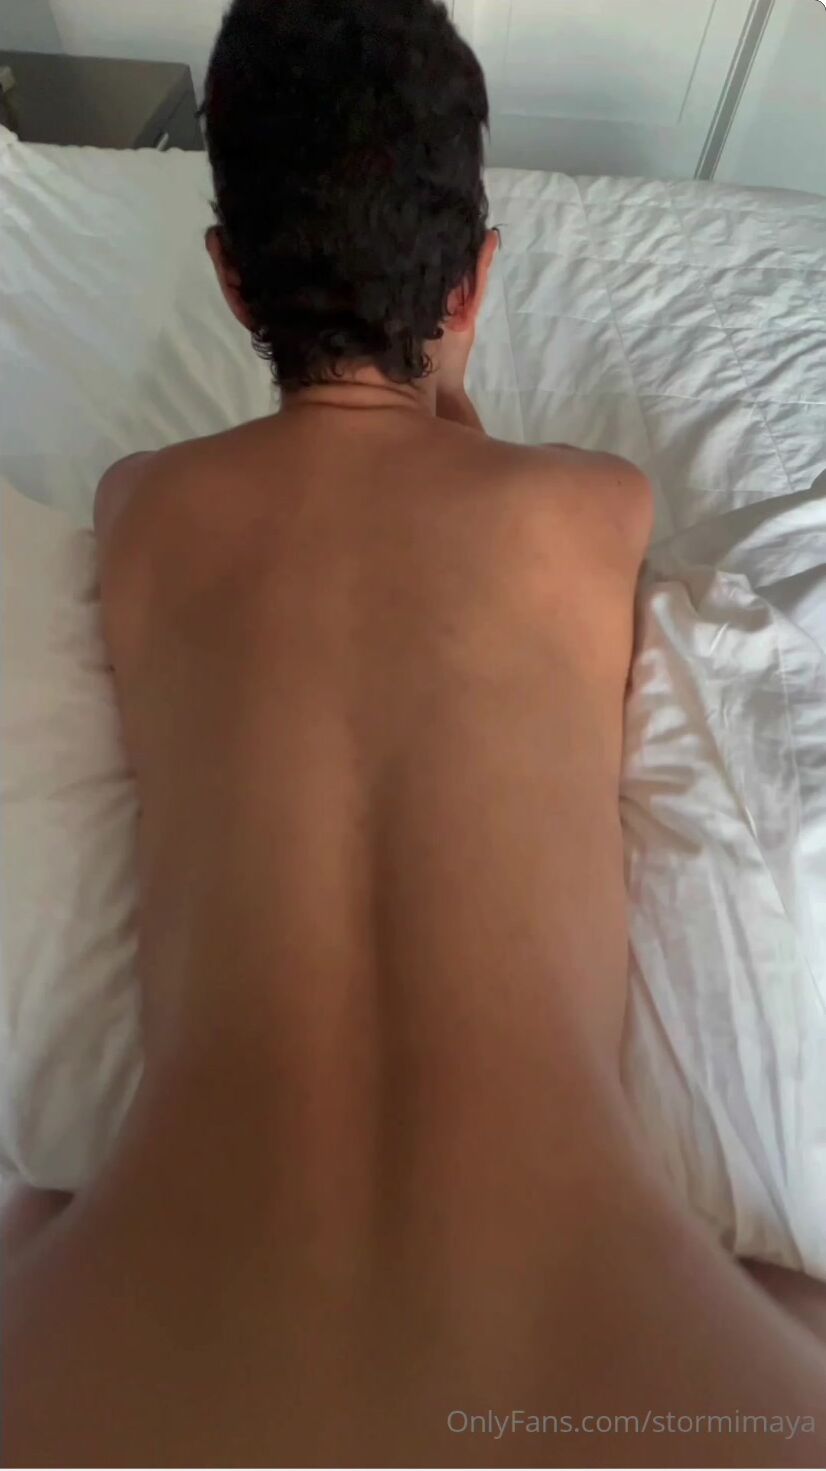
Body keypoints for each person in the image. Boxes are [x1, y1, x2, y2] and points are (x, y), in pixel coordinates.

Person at [5, 1, 825, 1464]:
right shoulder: (592, 506)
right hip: (631, 1356)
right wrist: (447, 377)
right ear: (481, 277)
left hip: (113, 1352)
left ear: (228, 279)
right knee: (791, 1288)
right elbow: (451, 470)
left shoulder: (144, 508)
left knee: (34, 1209)